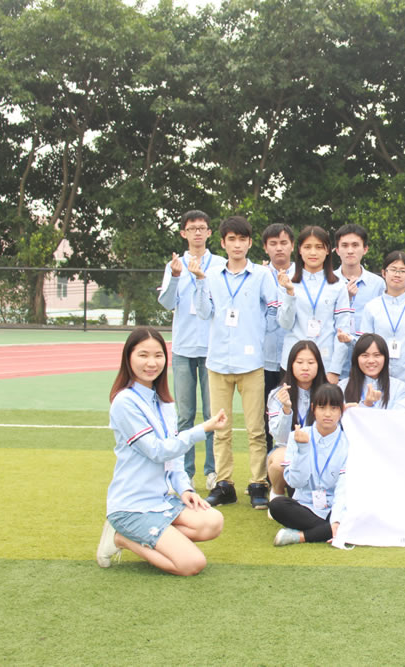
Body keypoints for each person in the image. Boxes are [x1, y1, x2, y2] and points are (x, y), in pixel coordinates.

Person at [97, 326, 226, 575]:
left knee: (213, 521)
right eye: (143, 355)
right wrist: (202, 429)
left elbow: (174, 457)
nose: (151, 363)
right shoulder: (124, 402)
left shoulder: (164, 403)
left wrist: (185, 489)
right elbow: (157, 451)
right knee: (192, 564)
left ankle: (153, 536)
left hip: (160, 501)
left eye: (158, 355)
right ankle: (121, 538)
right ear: (128, 358)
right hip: (132, 507)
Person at [193, 215, 280, 510]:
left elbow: (274, 308)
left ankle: (258, 483)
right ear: (223, 243)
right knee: (221, 429)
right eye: (232, 239)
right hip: (218, 361)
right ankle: (224, 484)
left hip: (251, 363)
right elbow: (204, 312)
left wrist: (258, 333)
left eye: (242, 239)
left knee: (256, 429)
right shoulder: (211, 275)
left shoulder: (261, 275)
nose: (237, 245)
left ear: (250, 243)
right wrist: (199, 282)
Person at [156, 210, 217, 490]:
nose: (197, 233)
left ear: (209, 233)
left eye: (202, 228)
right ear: (183, 233)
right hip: (182, 348)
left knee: (212, 413)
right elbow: (167, 303)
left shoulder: (219, 264)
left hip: (212, 348)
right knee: (184, 415)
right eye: (192, 228)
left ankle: (213, 471)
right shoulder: (174, 265)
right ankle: (185, 472)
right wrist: (176, 276)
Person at [271, 384, 349, 546]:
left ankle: (300, 536)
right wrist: (303, 450)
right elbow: (296, 482)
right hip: (304, 504)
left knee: (352, 513)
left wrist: (336, 519)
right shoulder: (297, 436)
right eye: (322, 407)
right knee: (277, 505)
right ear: (313, 408)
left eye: (334, 408)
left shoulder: (348, 442)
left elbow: (343, 488)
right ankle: (332, 530)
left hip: (334, 505)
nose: (328, 414)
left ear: (341, 410)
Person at [276, 226, 352, 385]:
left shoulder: (338, 285)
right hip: (293, 362)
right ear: (299, 250)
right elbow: (285, 324)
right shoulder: (286, 281)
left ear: (327, 250)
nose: (313, 252)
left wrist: (335, 370)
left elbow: (343, 330)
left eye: (319, 247)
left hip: (325, 363)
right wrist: (290, 292)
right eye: (307, 247)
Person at [357, 251, 405, 383]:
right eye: (393, 270)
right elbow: (365, 345)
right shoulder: (371, 307)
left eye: (402, 271)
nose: (397, 274)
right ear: (384, 273)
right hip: (377, 376)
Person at [265, 340, 329, 500]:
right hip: (288, 448)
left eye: (311, 363)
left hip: (320, 449)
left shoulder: (328, 393)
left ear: (319, 365)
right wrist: (286, 409)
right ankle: (277, 493)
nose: (305, 367)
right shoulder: (278, 394)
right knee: (279, 462)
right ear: (291, 365)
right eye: (299, 362)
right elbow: (280, 438)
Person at [261, 223, 296, 452]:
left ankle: (289, 463)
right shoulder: (258, 275)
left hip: (291, 359)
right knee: (262, 419)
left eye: (284, 243)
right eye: (273, 244)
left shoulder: (302, 276)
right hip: (262, 358)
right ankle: (264, 469)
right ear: (265, 248)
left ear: (292, 246)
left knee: (289, 412)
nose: (279, 248)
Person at [333, 223, 386, 377]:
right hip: (335, 359)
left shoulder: (378, 284)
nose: (350, 250)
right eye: (345, 245)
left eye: (355, 245)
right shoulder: (328, 282)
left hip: (368, 361)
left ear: (365, 249)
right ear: (337, 250)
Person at [339, 333, 405, 410]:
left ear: (385, 358)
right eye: (365, 355)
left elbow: (400, 417)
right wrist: (366, 405)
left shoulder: (399, 388)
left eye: (377, 355)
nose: (371, 361)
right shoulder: (342, 387)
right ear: (356, 358)